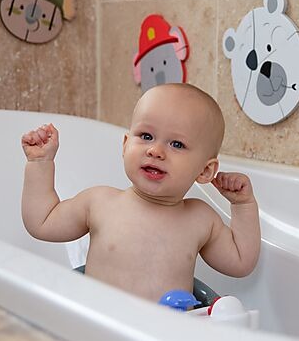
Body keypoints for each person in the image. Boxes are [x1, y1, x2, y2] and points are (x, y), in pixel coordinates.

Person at [21, 83, 260, 302]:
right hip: (99, 324)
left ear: (205, 171)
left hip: (164, 331)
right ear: (126, 145)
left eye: (176, 144)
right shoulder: (100, 202)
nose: (155, 150)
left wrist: (243, 206)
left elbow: (240, 262)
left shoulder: (200, 218)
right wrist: (40, 163)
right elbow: (42, 222)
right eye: (146, 136)